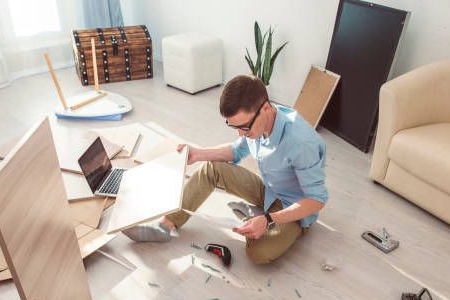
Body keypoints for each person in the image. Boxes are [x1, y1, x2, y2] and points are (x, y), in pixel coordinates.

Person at [123, 74, 328, 264]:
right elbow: (235, 151)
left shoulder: (301, 143)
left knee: (258, 254)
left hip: (294, 207)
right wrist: (198, 153)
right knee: (212, 168)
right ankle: (164, 226)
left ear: (266, 108)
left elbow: (317, 200)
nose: (240, 133)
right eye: (234, 127)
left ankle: (260, 218)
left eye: (244, 127)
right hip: (269, 190)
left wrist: (268, 219)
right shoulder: (256, 125)